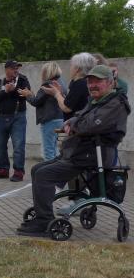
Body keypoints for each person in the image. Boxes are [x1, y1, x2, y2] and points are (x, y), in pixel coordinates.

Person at [17, 65, 130, 237]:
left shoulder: (116, 104)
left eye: (97, 81)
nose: (92, 85)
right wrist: (72, 122)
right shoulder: (98, 100)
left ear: (110, 83)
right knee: (37, 169)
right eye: (90, 82)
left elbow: (89, 125)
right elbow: (80, 116)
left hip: (93, 156)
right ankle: (42, 215)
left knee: (44, 174)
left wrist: (74, 124)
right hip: (80, 153)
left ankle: (44, 221)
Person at [0, 60, 30, 181]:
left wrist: (14, 89)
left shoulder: (22, 80)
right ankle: (3, 170)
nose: (16, 70)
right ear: (6, 69)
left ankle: (18, 172)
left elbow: (26, 95)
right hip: (1, 117)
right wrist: (5, 91)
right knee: (0, 145)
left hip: (18, 117)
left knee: (18, 145)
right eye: (13, 68)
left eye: (17, 68)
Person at [20, 62, 65, 161]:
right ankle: (56, 168)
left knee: (48, 150)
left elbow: (36, 101)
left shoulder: (48, 84)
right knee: (55, 148)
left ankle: (49, 170)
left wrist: (27, 95)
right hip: (60, 119)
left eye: (43, 71)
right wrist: (32, 95)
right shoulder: (61, 83)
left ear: (47, 72)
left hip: (49, 120)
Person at [52, 52, 94, 120]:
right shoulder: (86, 82)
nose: (70, 68)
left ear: (77, 69)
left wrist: (56, 93)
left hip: (77, 123)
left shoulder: (79, 84)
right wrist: (60, 93)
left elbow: (66, 107)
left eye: (71, 65)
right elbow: (72, 102)